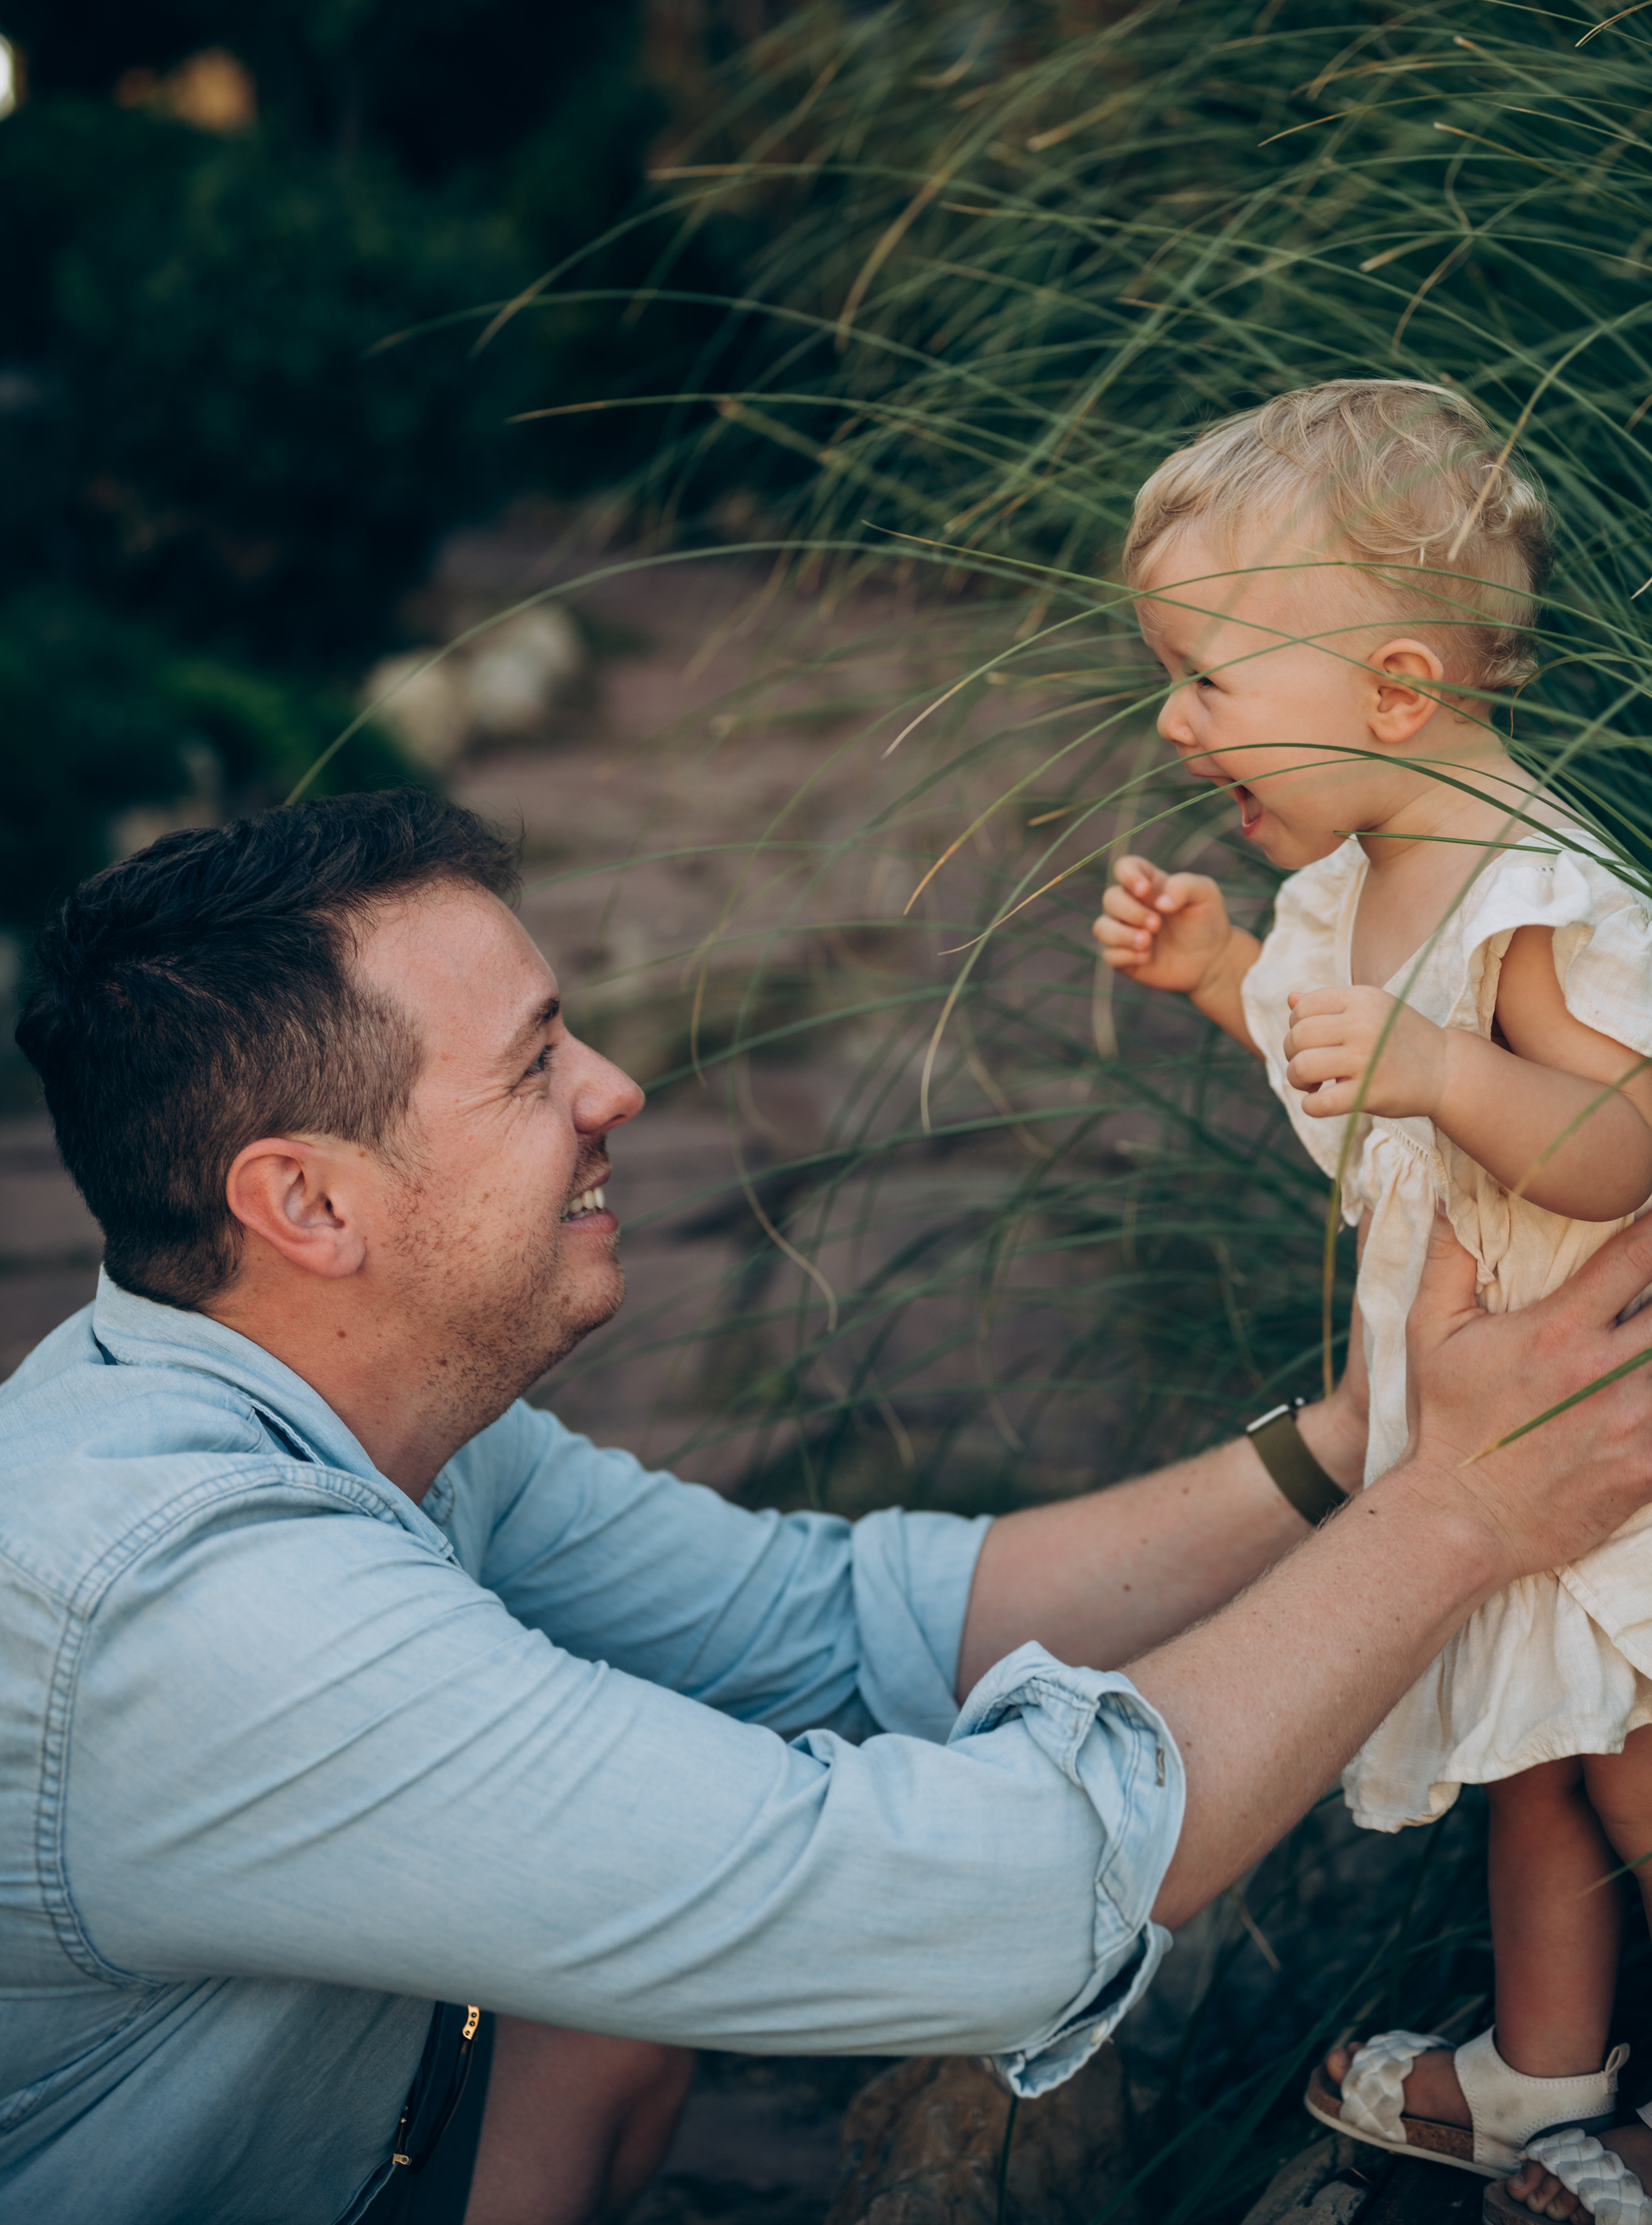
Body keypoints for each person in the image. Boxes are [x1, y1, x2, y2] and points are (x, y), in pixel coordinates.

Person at [6, 797, 1652, 2225]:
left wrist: (1364, 1437)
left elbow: (849, 1624)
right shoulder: (208, 1613)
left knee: (600, 1999)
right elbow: (968, 1909)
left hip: (365, 2132)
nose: (618, 1087)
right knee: (647, 1957)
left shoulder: (364, 1407)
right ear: (306, 1201)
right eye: (531, 1069)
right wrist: (1455, 1517)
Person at [1094, 378, 1652, 2224]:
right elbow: (1344, 1077)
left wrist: (1452, 1076)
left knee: (1639, 1767)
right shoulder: (1359, 886)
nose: (1178, 725)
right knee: (1535, 1764)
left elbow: (1619, 1140)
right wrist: (1222, 974)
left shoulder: (1532, 902)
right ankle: (1542, 2076)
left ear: (1398, 692)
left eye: (1208, 679)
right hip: (1494, 1443)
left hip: (1606, 1436)